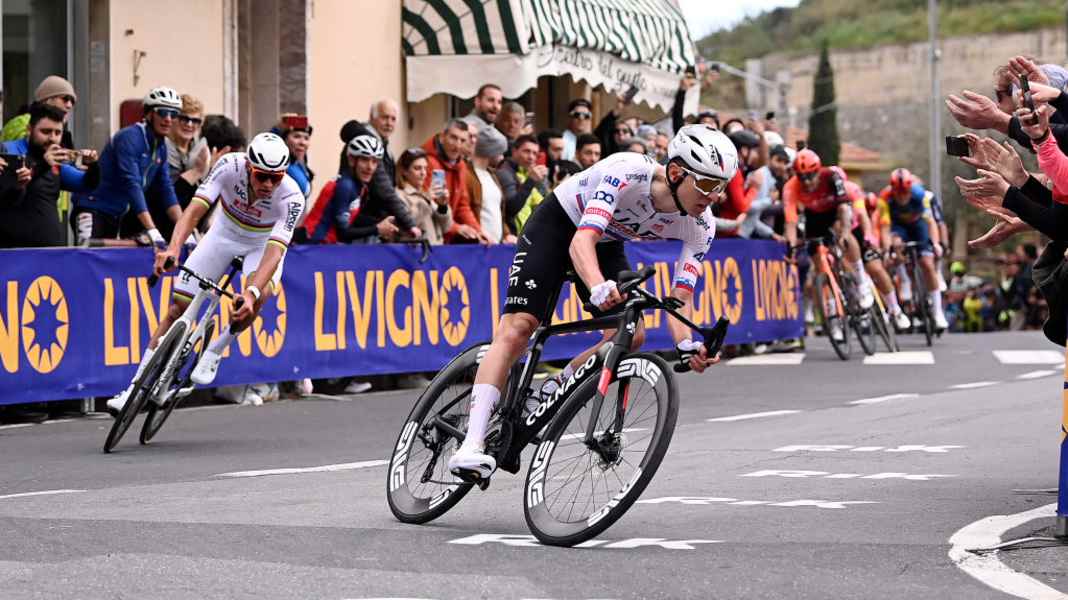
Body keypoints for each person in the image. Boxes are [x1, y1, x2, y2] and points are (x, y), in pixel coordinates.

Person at [448, 124, 732, 478]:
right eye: (707, 184)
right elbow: (580, 242)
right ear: (676, 172)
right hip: (560, 225)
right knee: (519, 326)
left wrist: (688, 344)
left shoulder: (701, 226)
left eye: (721, 186)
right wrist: (597, 286)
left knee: (633, 334)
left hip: (608, 243)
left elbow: (679, 299)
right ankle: (470, 445)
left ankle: (554, 387)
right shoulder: (626, 171)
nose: (714, 195)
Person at [106, 133, 305, 413]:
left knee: (258, 297)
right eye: (262, 177)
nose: (269, 185)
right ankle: (134, 389)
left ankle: (216, 348)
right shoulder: (228, 166)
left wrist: (251, 293)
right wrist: (173, 249)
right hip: (223, 234)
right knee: (177, 309)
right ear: (249, 167)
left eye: (277, 177)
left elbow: (275, 250)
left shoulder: (292, 196)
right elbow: (193, 212)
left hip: (262, 244)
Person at [783, 148, 876, 341]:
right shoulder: (791, 188)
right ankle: (833, 318)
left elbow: (844, 209)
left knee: (846, 237)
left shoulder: (831, 176)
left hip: (835, 210)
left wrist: (843, 232)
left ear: (818, 171)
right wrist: (790, 247)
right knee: (820, 266)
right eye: (802, 177)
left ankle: (861, 281)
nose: (807, 182)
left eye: (810, 176)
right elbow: (791, 222)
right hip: (814, 217)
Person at [72, 86, 182, 247]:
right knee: (86, 251)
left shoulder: (161, 146)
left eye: (174, 114)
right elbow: (131, 183)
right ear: (149, 113)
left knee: (105, 266)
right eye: (162, 112)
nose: (168, 119)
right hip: (92, 207)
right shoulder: (130, 137)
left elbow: (166, 189)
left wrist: (185, 229)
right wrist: (151, 229)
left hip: (115, 213)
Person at [0, 103, 100, 248]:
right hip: (14, 255)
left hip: (50, 254)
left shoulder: (55, 162)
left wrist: (94, 166)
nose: (52, 138)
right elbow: (9, 193)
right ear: (29, 129)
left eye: (57, 133)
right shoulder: (10, 150)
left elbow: (86, 185)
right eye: (46, 131)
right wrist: (44, 164)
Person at [304, 135, 413, 244]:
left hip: (326, 247)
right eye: (365, 160)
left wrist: (386, 223)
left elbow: (354, 218)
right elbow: (343, 233)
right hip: (313, 244)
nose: (370, 167)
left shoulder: (359, 185)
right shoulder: (345, 186)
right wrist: (377, 228)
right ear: (352, 160)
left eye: (374, 161)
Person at [881, 168, 948, 330]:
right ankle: (904, 279)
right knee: (896, 244)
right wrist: (886, 249)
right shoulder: (885, 197)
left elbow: (932, 223)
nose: (902, 197)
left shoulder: (921, 195)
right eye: (898, 193)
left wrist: (936, 244)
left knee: (927, 263)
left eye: (905, 193)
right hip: (899, 227)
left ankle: (938, 313)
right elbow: (885, 227)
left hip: (919, 226)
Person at [422, 119, 486, 243]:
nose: (457, 145)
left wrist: (478, 231)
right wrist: (456, 228)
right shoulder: (427, 162)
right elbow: (426, 203)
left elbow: (463, 206)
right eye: (453, 138)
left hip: (447, 238)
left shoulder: (461, 166)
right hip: (429, 236)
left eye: (462, 140)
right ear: (442, 136)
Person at [395, 147, 451, 245]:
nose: (423, 173)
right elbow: (405, 226)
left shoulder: (426, 193)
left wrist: (442, 206)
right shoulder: (398, 194)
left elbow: (446, 227)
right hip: (414, 253)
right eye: (417, 168)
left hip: (435, 251)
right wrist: (426, 201)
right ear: (404, 171)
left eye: (425, 168)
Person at [469, 127, 513, 244]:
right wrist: (477, 232)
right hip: (477, 243)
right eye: (500, 152)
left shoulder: (492, 175)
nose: (502, 157)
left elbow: (497, 211)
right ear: (490, 151)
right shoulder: (468, 174)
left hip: (496, 244)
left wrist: (506, 234)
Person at [497, 133, 548, 233]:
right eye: (527, 151)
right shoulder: (505, 172)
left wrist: (543, 182)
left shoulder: (527, 173)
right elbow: (512, 208)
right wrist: (531, 181)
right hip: (512, 236)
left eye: (535, 153)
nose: (531, 157)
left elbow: (543, 207)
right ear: (514, 151)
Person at [276, 113, 313, 199]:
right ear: (284, 139)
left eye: (306, 138)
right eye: (297, 136)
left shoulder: (299, 164)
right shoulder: (280, 165)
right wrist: (277, 128)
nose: (302, 143)